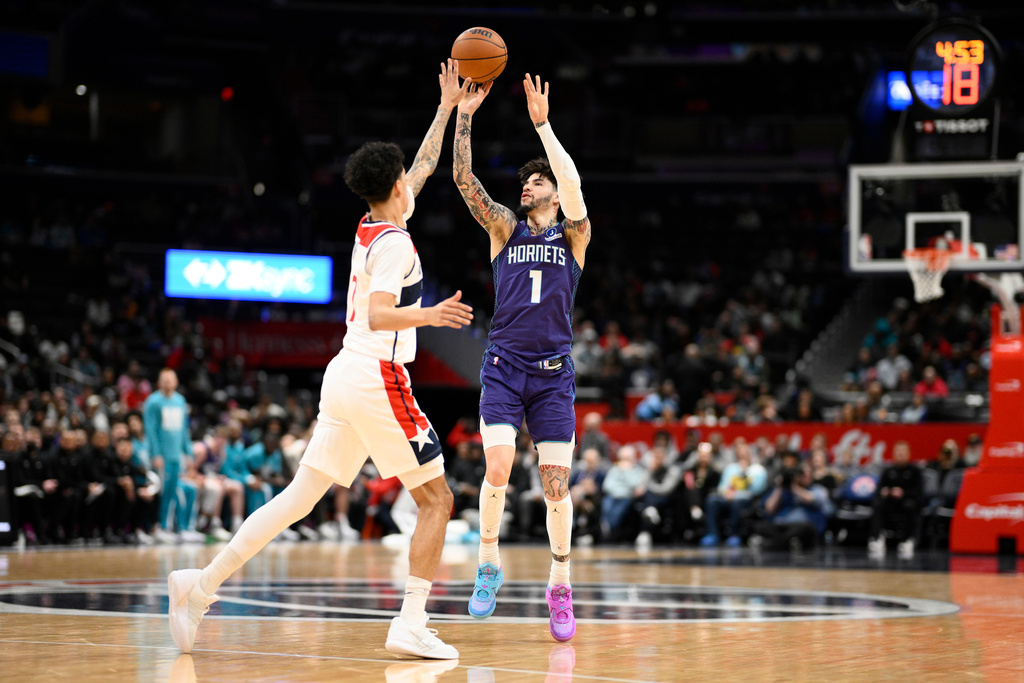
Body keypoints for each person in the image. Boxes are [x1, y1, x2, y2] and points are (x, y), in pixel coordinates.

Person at [168, 60, 473, 660]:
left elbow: (424, 166)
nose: (415, 181)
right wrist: (431, 315)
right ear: (397, 190)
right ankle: (410, 622)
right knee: (438, 500)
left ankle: (198, 587)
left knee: (297, 500)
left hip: (344, 374)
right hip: (375, 374)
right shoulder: (398, 242)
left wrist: (447, 108)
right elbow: (383, 314)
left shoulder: (371, 223)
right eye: (406, 179)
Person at [453, 73, 591, 642]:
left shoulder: (576, 233)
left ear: (554, 191)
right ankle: (489, 565)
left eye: (538, 181)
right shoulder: (505, 229)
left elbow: (576, 184)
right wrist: (462, 115)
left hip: (554, 376)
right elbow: (463, 179)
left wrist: (543, 125)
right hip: (505, 368)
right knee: (500, 469)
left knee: (556, 486)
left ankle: (560, 584)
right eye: (526, 180)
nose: (528, 186)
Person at [144, 368, 193, 543]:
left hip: (175, 455)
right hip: (162, 455)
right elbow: (150, 430)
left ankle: (168, 525)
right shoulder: (153, 402)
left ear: (176, 382)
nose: (167, 383)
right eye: (163, 379)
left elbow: (184, 430)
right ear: (158, 382)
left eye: (170, 379)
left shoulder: (180, 401)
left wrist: (188, 452)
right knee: (162, 491)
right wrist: (155, 453)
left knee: (172, 491)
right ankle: (158, 526)